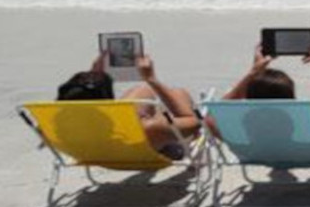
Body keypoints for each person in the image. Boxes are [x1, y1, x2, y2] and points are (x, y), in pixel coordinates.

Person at [212, 44, 310, 159]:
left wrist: (253, 72)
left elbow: (213, 113)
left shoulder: (233, 130)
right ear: (292, 98)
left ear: (247, 96)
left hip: (259, 152)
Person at [56, 52, 201, 159]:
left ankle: (159, 129)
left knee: (142, 90)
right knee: (179, 93)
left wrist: (95, 74)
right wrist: (152, 79)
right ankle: (170, 145)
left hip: (98, 146)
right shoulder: (150, 129)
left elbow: (82, 102)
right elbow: (193, 122)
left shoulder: (56, 128)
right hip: (143, 142)